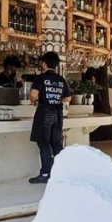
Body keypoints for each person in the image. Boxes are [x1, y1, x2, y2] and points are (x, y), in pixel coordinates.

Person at [28, 52, 71, 184]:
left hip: (44, 112)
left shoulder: (41, 78)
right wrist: (56, 99)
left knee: (44, 143)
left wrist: (33, 101)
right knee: (56, 144)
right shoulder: (61, 80)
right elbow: (68, 98)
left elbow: (33, 94)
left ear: (44, 64)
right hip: (58, 113)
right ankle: (62, 173)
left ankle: (45, 174)